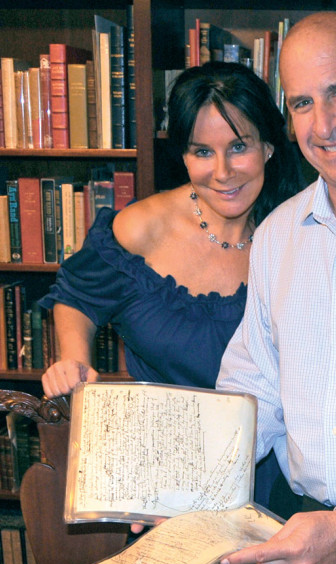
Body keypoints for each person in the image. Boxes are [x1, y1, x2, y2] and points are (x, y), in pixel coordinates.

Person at [39, 61, 302, 506]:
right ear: (182, 154)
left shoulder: (298, 234)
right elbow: (77, 294)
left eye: (239, 147)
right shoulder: (143, 227)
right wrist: (74, 359)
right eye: (201, 152)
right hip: (162, 479)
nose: (222, 172)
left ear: (270, 147)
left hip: (273, 481)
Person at [217, 12, 336, 564]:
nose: (325, 125)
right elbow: (253, 389)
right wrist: (186, 487)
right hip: (301, 533)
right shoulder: (277, 236)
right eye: (303, 103)